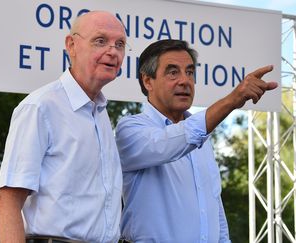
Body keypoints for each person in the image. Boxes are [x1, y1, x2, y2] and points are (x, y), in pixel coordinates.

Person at [116, 39, 278, 243]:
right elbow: (172, 141)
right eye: (173, 72)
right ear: (148, 81)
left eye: (190, 72)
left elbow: (213, 205)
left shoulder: (201, 136)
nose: (185, 81)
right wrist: (232, 100)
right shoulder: (130, 130)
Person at [0, 11, 128, 243]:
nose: (113, 51)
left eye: (120, 44)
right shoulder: (40, 107)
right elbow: (7, 200)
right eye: (100, 41)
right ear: (71, 45)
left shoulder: (101, 114)